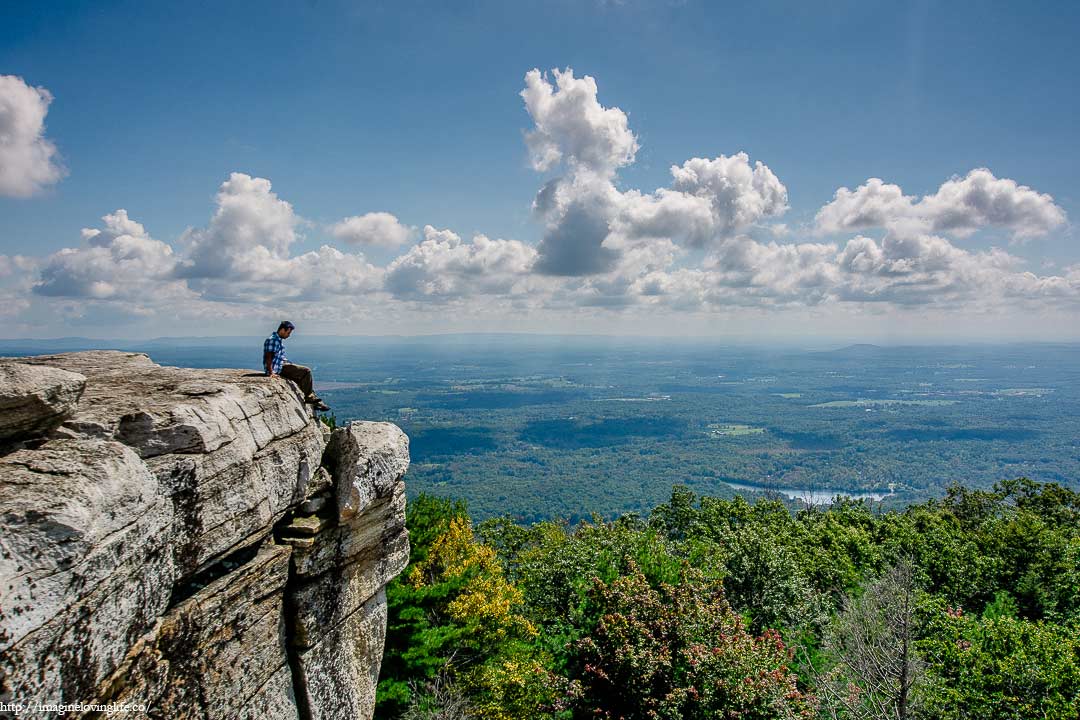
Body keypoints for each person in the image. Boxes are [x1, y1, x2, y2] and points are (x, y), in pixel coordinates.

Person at [263, 321, 330, 411]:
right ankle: (310, 398)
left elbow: (276, 356)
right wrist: (271, 372)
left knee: (304, 380)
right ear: (282, 330)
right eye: (288, 332)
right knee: (306, 371)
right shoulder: (273, 340)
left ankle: (315, 403)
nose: (289, 335)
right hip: (278, 369)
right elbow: (268, 356)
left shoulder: (277, 339)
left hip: (280, 366)